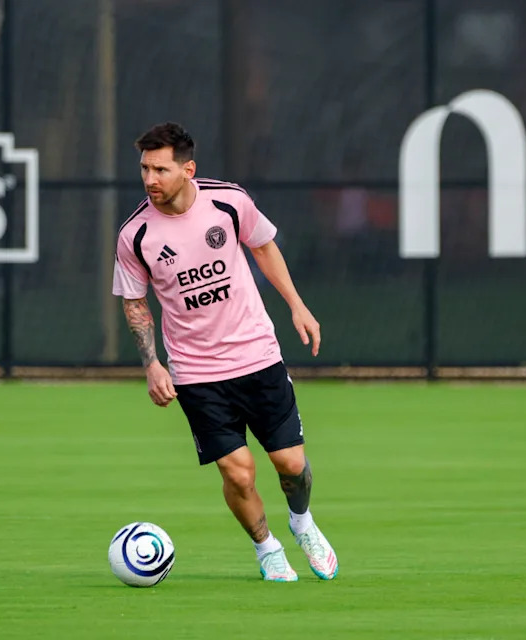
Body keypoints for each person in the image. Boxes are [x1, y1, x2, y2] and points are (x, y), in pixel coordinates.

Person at [111, 122, 338, 582]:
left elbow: (264, 248)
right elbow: (135, 302)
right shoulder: (135, 234)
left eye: (160, 169)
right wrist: (152, 364)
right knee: (238, 474)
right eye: (144, 169)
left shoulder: (229, 201)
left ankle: (302, 522)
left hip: (257, 355)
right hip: (196, 373)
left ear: (188, 169)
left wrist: (297, 306)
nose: (150, 179)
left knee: (291, 465)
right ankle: (267, 548)